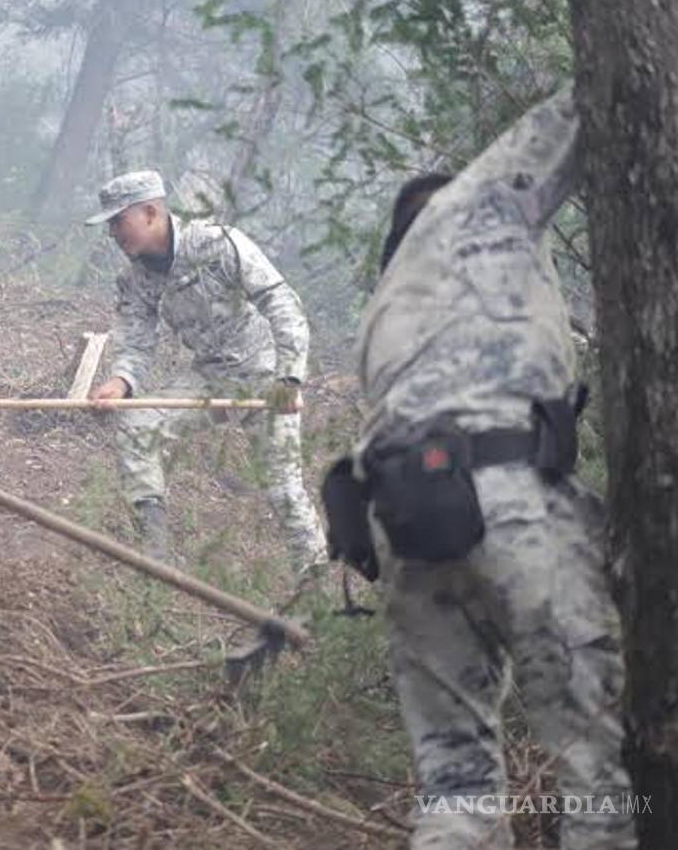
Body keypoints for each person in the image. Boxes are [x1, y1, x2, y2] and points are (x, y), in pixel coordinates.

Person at [324, 87, 636, 848]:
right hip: (512, 504)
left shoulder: (383, 316)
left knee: (455, 784)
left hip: (406, 528)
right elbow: (588, 101)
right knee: (593, 772)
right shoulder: (480, 204)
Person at [85, 170, 327, 571]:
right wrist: (120, 382)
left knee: (283, 487)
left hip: (264, 374)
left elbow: (283, 304)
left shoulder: (218, 244)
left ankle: (316, 580)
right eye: (109, 223)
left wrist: (288, 379)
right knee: (137, 423)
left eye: (118, 220)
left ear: (149, 212)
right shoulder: (134, 279)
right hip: (209, 378)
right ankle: (155, 551)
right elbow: (135, 343)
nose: (112, 232)